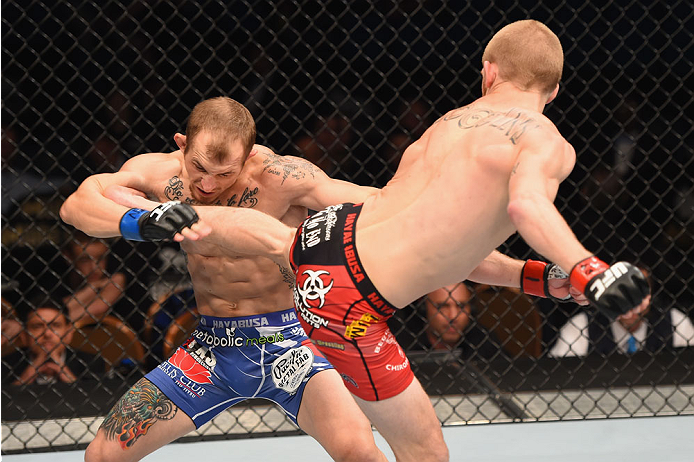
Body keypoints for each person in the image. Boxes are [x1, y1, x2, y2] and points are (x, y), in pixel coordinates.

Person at [176, 19, 650, 462]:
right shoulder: (544, 138)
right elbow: (527, 208)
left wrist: (539, 279)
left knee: (388, 447)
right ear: (555, 89)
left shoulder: (442, 127)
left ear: (489, 72)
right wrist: (591, 270)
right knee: (426, 454)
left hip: (320, 246)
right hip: (347, 299)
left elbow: (442, 251)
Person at [60, 96, 388, 462]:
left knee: (361, 454)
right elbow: (75, 206)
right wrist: (141, 223)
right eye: (198, 167)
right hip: (212, 348)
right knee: (101, 455)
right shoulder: (157, 172)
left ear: (248, 156)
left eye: (224, 173)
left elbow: (377, 205)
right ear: (181, 144)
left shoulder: (281, 176)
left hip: (294, 342)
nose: (207, 184)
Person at [549, 269, 694, 357]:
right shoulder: (582, 326)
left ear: (650, 296)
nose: (630, 301)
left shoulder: (675, 322)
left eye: (639, 292)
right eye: (622, 292)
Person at [1, 298, 106, 385]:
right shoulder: (5, 365)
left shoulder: (92, 362)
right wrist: (29, 373)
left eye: (55, 325)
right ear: (24, 336)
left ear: (68, 333)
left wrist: (66, 374)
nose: (47, 334)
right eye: (37, 326)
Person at [62, 231, 127, 327]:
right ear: (68, 258)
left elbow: (98, 308)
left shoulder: (115, 278)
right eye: (84, 260)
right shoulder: (58, 279)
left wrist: (59, 319)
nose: (95, 268)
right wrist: (90, 289)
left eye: (101, 258)